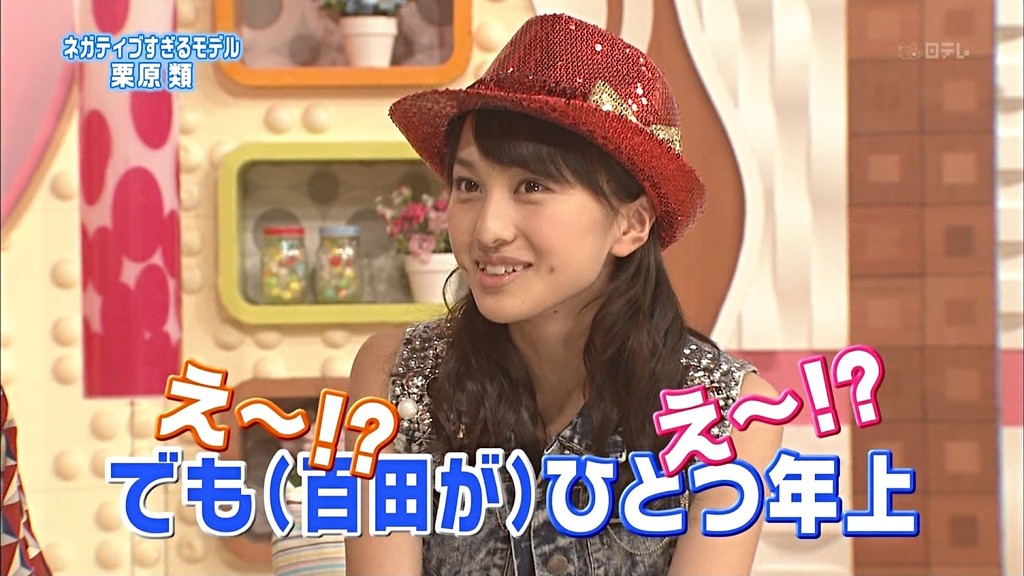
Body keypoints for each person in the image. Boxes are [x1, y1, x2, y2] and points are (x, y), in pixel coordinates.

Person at [345, 13, 782, 576]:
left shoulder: (728, 414)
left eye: (532, 186)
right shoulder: (396, 376)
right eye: (469, 185)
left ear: (631, 224)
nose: (487, 230)